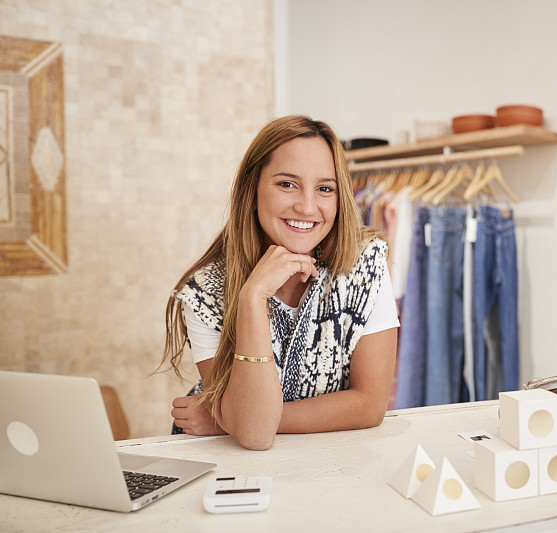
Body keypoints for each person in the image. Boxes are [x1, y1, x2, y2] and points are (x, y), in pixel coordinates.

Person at [159, 115, 399, 450]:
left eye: (325, 189)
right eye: (287, 184)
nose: (307, 206)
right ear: (252, 187)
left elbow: (369, 406)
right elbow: (255, 438)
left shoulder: (365, 264)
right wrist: (253, 296)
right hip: (225, 459)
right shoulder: (206, 290)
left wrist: (230, 420)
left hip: (322, 460)